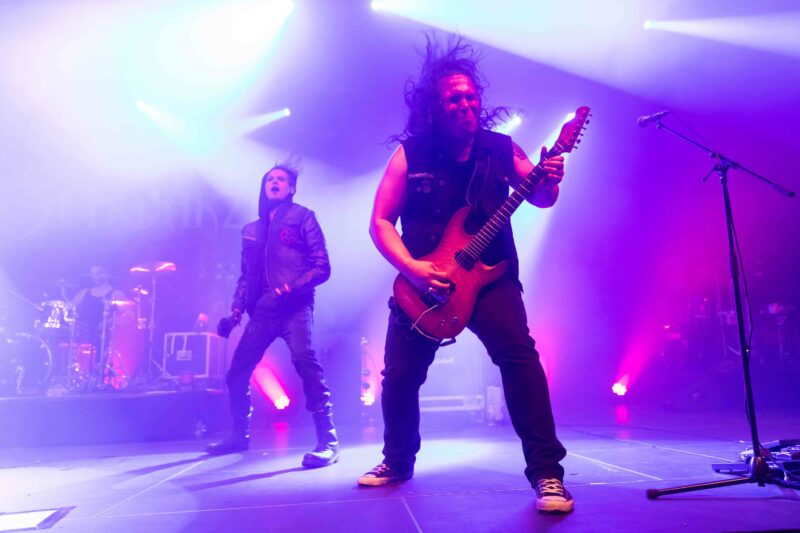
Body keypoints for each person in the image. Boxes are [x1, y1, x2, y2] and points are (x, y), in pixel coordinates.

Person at [359, 35, 573, 513]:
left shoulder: (500, 149)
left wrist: (550, 178)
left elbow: (542, 197)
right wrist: (413, 269)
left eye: (471, 97)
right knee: (399, 377)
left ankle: (547, 474)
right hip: (426, 285)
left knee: (519, 358)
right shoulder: (411, 155)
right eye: (454, 99)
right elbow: (380, 222)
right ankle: (397, 460)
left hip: (491, 278)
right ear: (434, 107)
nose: (466, 105)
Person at [207, 162, 339, 469]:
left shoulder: (303, 217)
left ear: (291, 188)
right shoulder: (251, 230)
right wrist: (235, 314)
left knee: (306, 362)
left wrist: (291, 288)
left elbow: (322, 267)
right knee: (237, 373)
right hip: (263, 312)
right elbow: (245, 276)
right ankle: (239, 435)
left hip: (295, 308)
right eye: (270, 179)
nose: (274, 182)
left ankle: (328, 440)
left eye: (281, 179)